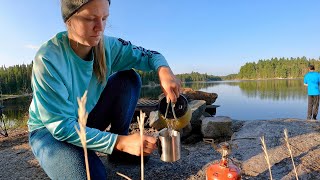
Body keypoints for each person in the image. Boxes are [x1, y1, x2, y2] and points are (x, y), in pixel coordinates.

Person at [28, 0, 181, 179]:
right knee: (91, 176)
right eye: (90, 18)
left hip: (86, 118)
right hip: (50, 132)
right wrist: (119, 142)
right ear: (69, 20)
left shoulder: (107, 46)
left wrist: (164, 70)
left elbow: (150, 56)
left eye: (104, 18)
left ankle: (116, 152)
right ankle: (104, 149)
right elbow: (60, 126)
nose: (100, 28)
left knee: (128, 78)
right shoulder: (48, 58)